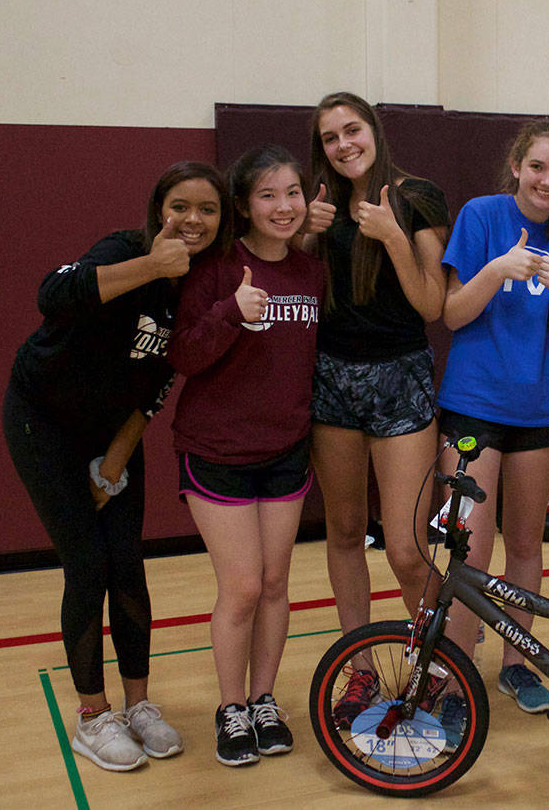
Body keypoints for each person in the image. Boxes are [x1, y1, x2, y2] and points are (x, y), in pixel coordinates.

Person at [3, 161, 229, 771]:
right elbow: (51, 292)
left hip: (112, 431)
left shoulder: (201, 283)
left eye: (207, 210)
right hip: (42, 420)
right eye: (180, 206)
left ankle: (138, 705)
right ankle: (91, 715)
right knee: (88, 563)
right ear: (160, 210)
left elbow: (162, 377)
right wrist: (152, 266)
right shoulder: (125, 249)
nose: (192, 220)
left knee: (128, 563)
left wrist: (119, 457)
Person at [168, 145, 324, 767]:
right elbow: (183, 355)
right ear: (243, 206)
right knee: (241, 587)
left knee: (277, 584)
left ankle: (265, 700)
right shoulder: (214, 269)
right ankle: (231, 707)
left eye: (292, 193)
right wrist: (231, 312)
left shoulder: (310, 273)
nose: (283, 207)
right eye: (268, 195)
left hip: (285, 450)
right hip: (217, 452)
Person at [299, 92, 451, 727]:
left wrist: (390, 235)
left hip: (401, 379)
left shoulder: (417, 196)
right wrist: (303, 233)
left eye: (351, 129)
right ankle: (359, 672)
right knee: (342, 534)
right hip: (333, 381)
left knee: (408, 549)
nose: (343, 145)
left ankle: (437, 674)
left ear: (373, 130)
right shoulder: (315, 207)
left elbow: (432, 305)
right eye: (330, 137)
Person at [437, 120, 549, 722]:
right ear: (518, 166)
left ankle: (516, 664)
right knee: (468, 551)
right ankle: (454, 682)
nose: (547, 180)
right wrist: (498, 269)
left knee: (526, 543)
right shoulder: (481, 216)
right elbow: (451, 313)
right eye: (538, 168)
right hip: (474, 407)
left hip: (539, 411)